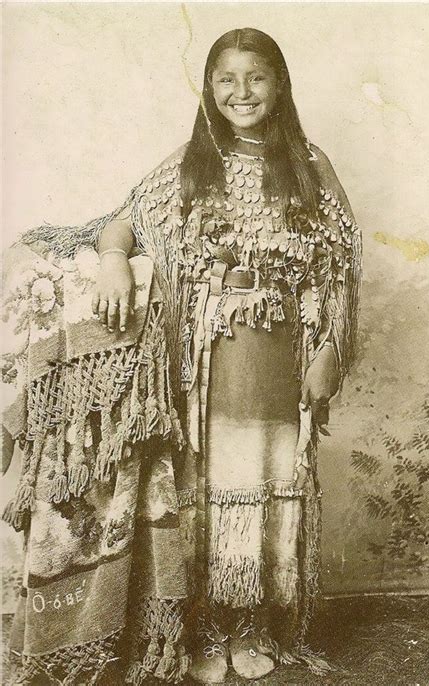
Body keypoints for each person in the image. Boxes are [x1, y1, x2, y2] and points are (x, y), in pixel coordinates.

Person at [2, 27, 361, 685]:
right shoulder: (189, 165)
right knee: (205, 485)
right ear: (208, 88)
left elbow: (339, 268)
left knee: (264, 479)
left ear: (280, 84)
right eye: (226, 78)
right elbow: (120, 221)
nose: (241, 91)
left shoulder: (309, 164)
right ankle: (206, 626)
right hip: (203, 361)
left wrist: (331, 349)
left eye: (256, 77)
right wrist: (113, 261)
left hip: (280, 352)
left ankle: (251, 623)